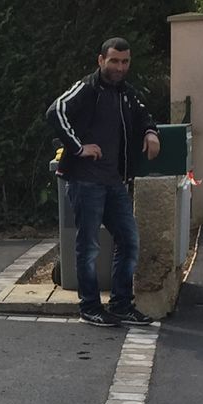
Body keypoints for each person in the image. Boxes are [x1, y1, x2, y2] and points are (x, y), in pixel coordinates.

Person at [46, 36, 163, 327]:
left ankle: (121, 304)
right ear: (101, 60)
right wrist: (78, 148)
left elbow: (144, 115)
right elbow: (56, 111)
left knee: (129, 240)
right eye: (114, 61)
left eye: (125, 62)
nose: (120, 67)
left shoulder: (126, 93)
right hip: (85, 181)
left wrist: (151, 132)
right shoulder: (87, 87)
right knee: (89, 246)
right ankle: (89, 307)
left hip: (114, 181)